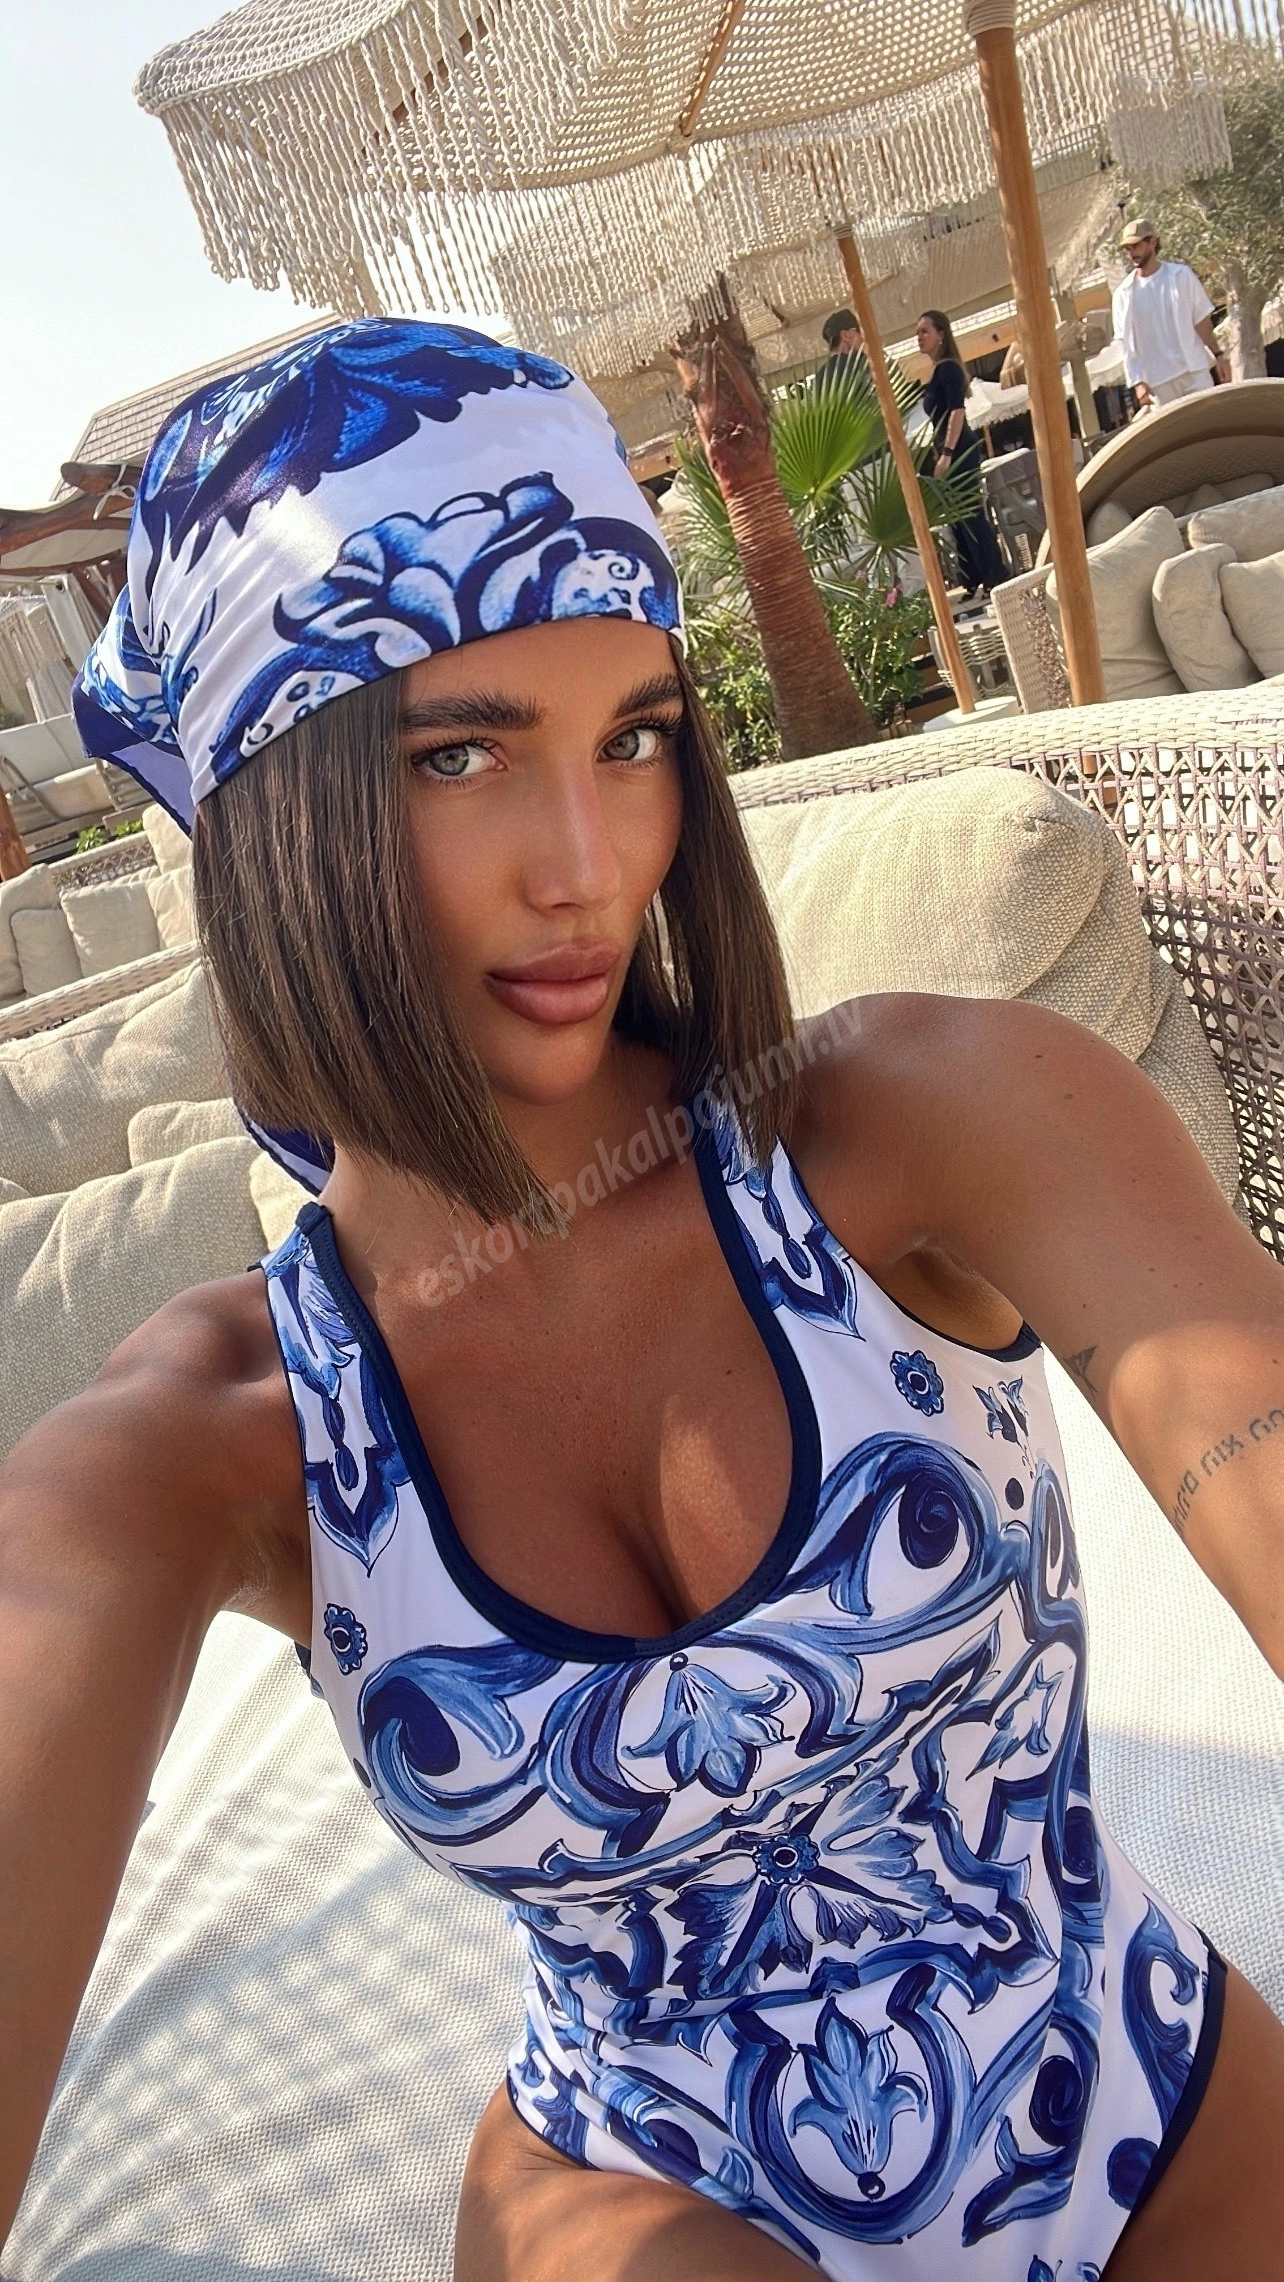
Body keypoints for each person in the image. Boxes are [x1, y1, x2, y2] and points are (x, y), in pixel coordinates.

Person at [3, 318, 1283, 2282]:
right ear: (268, 816)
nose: (588, 864)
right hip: (635, 2202)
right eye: (457, 754)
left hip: (1141, 2105)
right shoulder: (204, 1444)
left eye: (633, 736)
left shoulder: (927, 1120)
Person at [915, 307, 1007, 597]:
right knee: (956, 517)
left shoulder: (949, 368)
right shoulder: (935, 371)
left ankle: (994, 574)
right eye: (918, 332)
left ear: (940, 334)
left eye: (925, 331)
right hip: (946, 447)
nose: (919, 337)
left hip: (959, 449)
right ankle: (973, 576)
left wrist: (947, 453)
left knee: (970, 513)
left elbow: (956, 412)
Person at [1111, 219, 1230, 409]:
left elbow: (1201, 321)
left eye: (1136, 246)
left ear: (1152, 242)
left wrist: (1218, 356)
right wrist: (1137, 381)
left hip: (1193, 370)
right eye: (1128, 249)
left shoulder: (1181, 275)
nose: (1132, 253)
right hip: (1158, 382)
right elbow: (1126, 343)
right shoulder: (1123, 295)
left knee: (1209, 420)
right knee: (1177, 428)